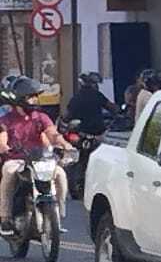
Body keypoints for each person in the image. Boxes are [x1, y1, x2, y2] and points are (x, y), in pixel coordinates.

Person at [0, 75, 72, 236]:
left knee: (60, 175)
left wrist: (65, 145)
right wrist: (4, 147)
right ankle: (5, 219)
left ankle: (58, 216)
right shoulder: (6, 119)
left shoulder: (41, 117)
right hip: (16, 159)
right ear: (20, 98)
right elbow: (2, 139)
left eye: (35, 96)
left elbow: (53, 134)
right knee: (9, 173)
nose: (34, 100)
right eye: (31, 97)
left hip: (40, 159)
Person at [65, 72, 117, 137]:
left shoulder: (75, 98)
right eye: (95, 83)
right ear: (92, 84)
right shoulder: (97, 95)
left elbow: (67, 116)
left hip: (82, 132)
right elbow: (112, 108)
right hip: (98, 131)